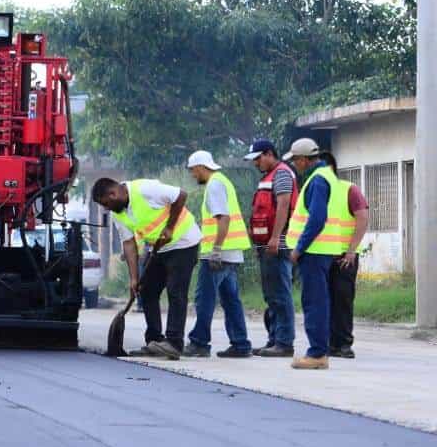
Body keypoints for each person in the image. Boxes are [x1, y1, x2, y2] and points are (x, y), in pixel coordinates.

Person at [92, 176, 202, 360]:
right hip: (158, 249)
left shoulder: (144, 189)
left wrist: (170, 227)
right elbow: (129, 244)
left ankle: (174, 343)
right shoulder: (118, 214)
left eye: (106, 203)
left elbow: (181, 195)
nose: (106, 208)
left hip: (184, 242)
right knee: (147, 290)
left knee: (176, 291)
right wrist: (134, 278)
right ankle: (154, 341)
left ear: (113, 193)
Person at [285, 137, 355, 370]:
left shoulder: (317, 181)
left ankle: (316, 353)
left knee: (314, 303)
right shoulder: (327, 177)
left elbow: (316, 220)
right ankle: (320, 350)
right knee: (321, 302)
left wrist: (298, 248)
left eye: (295, 160)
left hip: (314, 252)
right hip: (324, 250)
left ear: (304, 160)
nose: (294, 164)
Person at [185, 151, 252, 358]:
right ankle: (240, 344)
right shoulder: (223, 181)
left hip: (218, 255)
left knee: (204, 298)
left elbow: (223, 218)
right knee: (231, 300)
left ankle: (199, 343)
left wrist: (216, 250)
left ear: (201, 167)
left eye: (193, 171)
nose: (193, 175)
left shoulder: (214, 184)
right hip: (230, 253)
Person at [244, 139, 298, 357]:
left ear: (269, 154)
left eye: (258, 158)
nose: (256, 163)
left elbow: (284, 204)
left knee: (280, 295)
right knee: (272, 295)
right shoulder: (268, 176)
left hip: (278, 244)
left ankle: (284, 343)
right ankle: (274, 339)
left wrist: (276, 237)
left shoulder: (282, 173)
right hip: (266, 245)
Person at [320, 152, 369, 359]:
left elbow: (362, 218)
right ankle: (329, 343)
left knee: (343, 299)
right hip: (321, 255)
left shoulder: (349, 189)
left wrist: (351, 250)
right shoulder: (316, 190)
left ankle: (344, 344)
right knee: (324, 300)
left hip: (343, 257)